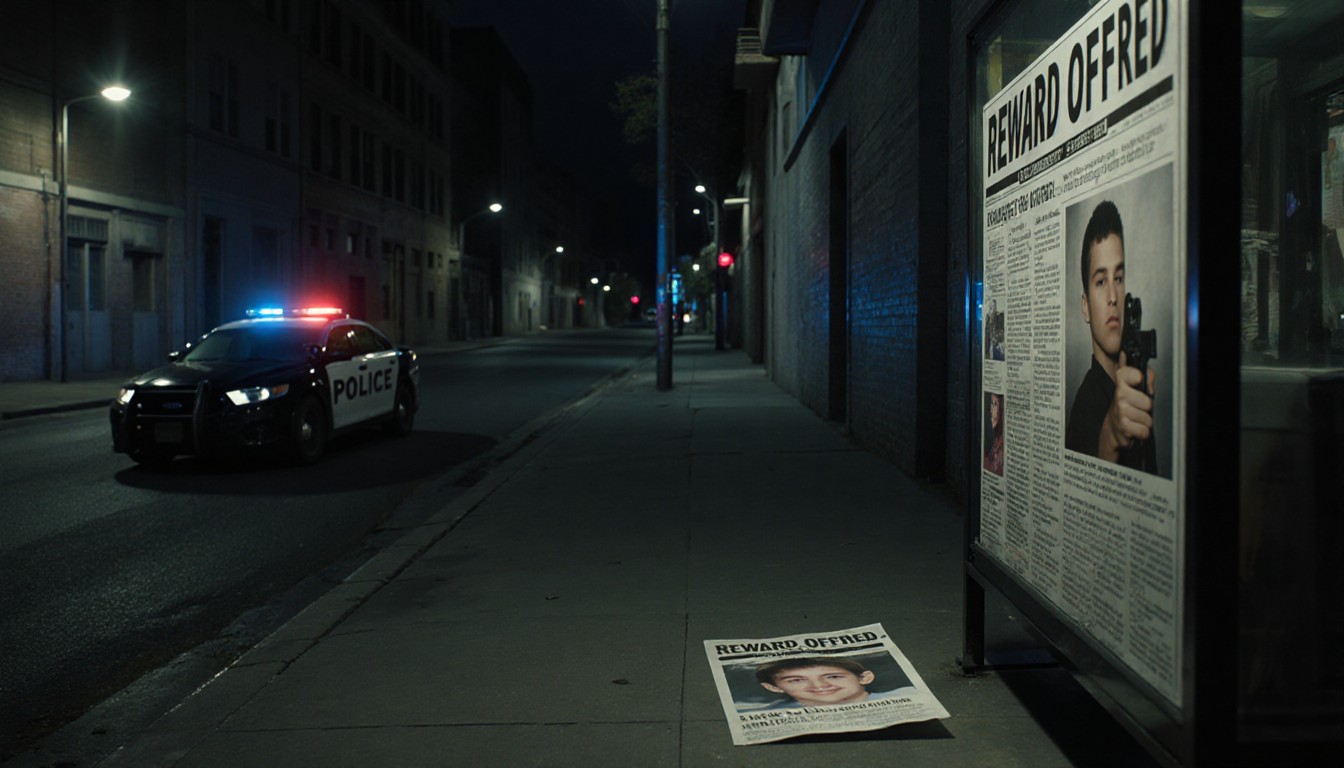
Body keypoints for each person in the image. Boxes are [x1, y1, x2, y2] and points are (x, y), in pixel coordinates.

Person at [1065, 201, 1157, 471]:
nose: (1113, 298)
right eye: (1101, 281)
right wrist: (1109, 439)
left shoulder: (1135, 383)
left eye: (1118, 278)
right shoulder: (1083, 411)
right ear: (1085, 306)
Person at [749, 657, 912, 709]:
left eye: (833, 676)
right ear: (773, 687)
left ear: (864, 678)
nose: (819, 686)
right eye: (797, 680)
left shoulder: (906, 696)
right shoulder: (769, 711)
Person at [983, 392, 1004, 475]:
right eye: (991, 404)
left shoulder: (1002, 451)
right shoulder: (994, 446)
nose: (992, 411)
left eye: (995, 404)